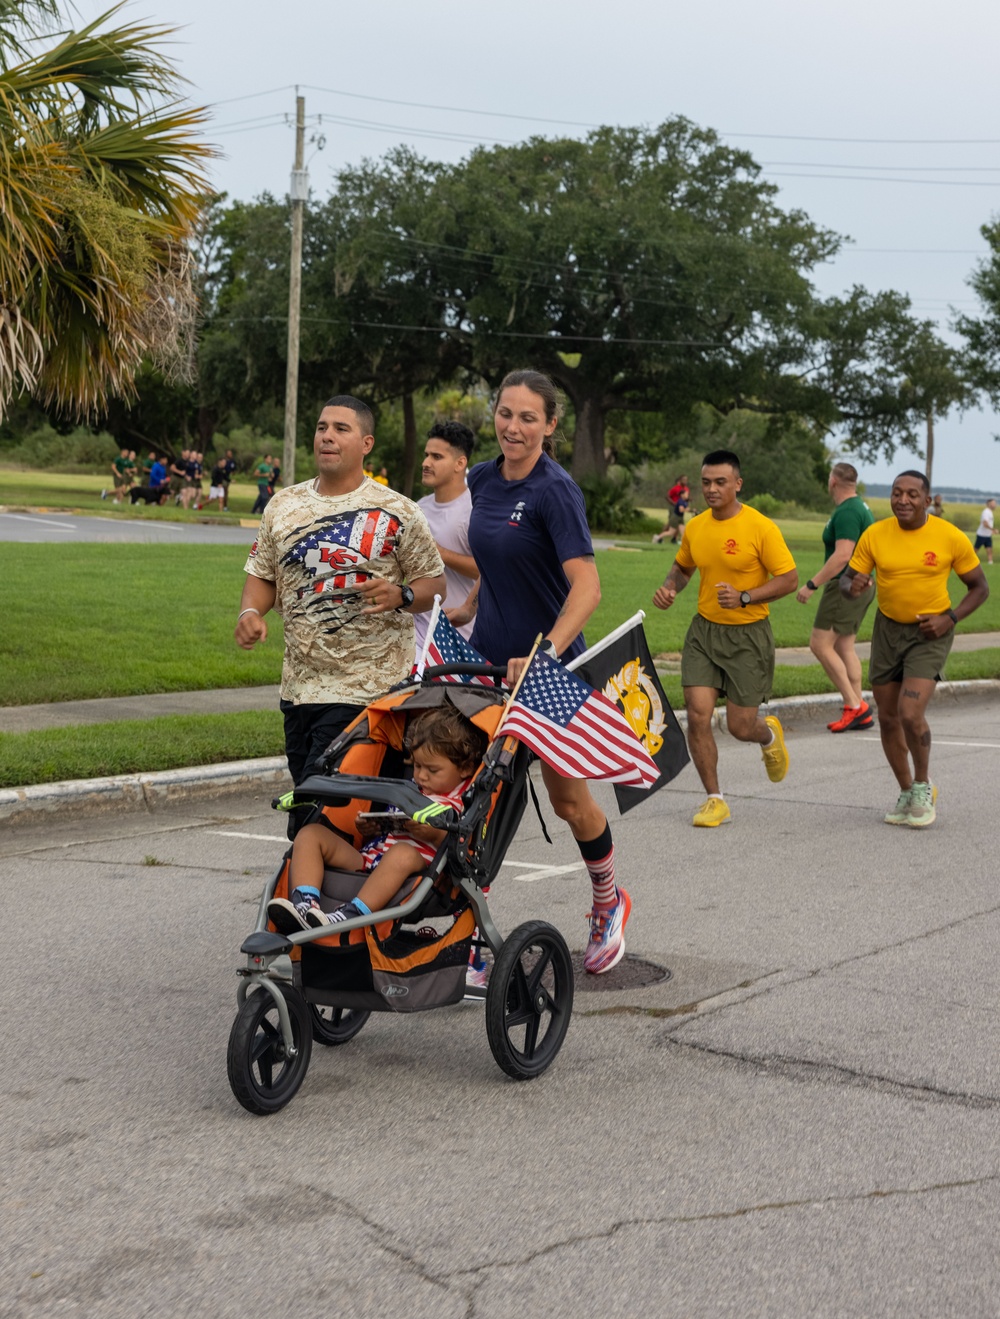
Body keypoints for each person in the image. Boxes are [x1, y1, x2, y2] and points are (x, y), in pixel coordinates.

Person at [446, 368, 629, 975]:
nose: (513, 427)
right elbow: (491, 558)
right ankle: (473, 933)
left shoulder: (555, 491)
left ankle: (608, 903)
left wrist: (548, 648)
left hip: (552, 665)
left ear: (551, 426)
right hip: (492, 660)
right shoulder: (481, 479)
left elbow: (588, 587)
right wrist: (471, 603)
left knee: (569, 801)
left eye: (529, 417)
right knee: (479, 799)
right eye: (505, 413)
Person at [235, 395, 445, 822]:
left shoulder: (398, 510)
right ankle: (336, 885)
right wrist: (249, 614)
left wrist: (401, 595)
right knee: (323, 808)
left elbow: (434, 583)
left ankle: (304, 887)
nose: (327, 436)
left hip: (370, 692)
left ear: (366, 443)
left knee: (319, 816)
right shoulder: (282, 505)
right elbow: (262, 575)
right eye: (321, 427)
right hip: (299, 690)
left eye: (340, 429)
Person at [653, 450, 797, 827]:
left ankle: (767, 736)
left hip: (748, 635)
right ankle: (714, 799)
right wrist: (670, 588)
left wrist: (745, 597)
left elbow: (789, 579)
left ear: (738, 484)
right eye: (706, 482)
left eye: (720, 482)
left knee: (739, 726)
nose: (712, 489)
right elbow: (683, 567)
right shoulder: (697, 526)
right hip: (704, 633)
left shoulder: (761, 527)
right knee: (697, 716)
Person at [841, 470, 988, 828]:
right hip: (888, 630)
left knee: (909, 712)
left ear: (927, 499)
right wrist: (852, 586)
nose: (902, 500)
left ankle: (923, 785)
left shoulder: (948, 536)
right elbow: (847, 579)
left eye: (911, 494)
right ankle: (906, 791)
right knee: (888, 716)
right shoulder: (875, 534)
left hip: (930, 631)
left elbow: (979, 587)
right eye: (896, 493)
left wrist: (949, 618)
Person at [267, 706, 485, 932]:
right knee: (310, 834)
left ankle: (351, 914)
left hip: (419, 871)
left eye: (432, 770)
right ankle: (304, 903)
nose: (421, 775)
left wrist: (432, 833)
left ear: (465, 768)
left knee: (403, 853)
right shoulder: (412, 789)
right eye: (417, 766)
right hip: (371, 859)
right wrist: (370, 828)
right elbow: (387, 830)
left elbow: (462, 849)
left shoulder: (461, 801)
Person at [796, 461, 876, 732]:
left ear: (833, 482)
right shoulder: (859, 507)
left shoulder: (847, 512)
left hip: (846, 584)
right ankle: (856, 706)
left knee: (819, 645)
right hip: (860, 583)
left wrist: (812, 584)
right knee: (843, 646)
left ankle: (855, 706)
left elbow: (843, 555)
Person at [413, 420, 479, 655]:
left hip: (459, 637)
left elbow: (489, 570)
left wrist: (440, 553)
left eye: (436, 457)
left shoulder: (474, 510)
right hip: (417, 635)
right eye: (426, 455)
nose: (426, 463)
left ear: (460, 463)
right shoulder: (419, 508)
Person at [653, 475, 691, 545]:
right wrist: (687, 509)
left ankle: (682, 542)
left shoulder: (686, 490)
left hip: (680, 516)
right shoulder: (676, 491)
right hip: (676, 514)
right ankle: (658, 537)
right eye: (683, 479)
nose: (687, 495)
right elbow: (681, 509)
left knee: (683, 531)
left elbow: (686, 502)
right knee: (671, 531)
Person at [975, 498, 996, 565]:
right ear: (989, 504)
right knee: (975, 550)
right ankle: (967, 560)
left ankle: (990, 562)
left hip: (987, 535)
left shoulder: (990, 512)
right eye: (993, 503)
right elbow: (985, 523)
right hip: (981, 535)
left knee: (989, 549)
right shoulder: (986, 512)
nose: (995, 505)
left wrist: (991, 531)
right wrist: (993, 529)